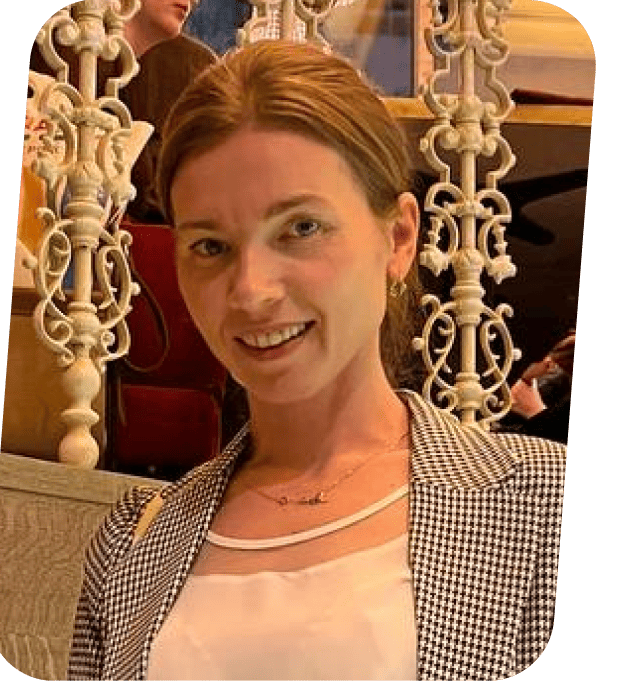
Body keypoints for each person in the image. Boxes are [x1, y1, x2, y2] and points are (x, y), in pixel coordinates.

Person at [67, 41, 566, 682]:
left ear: (398, 237)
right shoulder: (131, 548)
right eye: (210, 246)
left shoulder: (547, 505)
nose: (251, 291)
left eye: (301, 228)